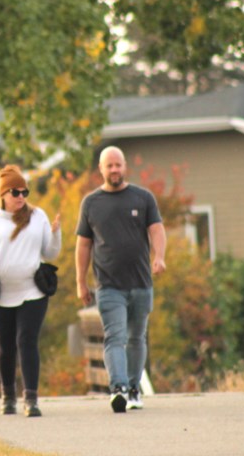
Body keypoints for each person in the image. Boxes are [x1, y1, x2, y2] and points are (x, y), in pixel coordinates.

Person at [75, 146, 167, 413]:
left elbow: (157, 230)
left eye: (118, 165)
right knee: (114, 336)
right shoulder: (91, 203)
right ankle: (118, 389)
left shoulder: (142, 198)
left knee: (137, 337)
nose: (114, 170)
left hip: (140, 283)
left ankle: (134, 387)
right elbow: (83, 246)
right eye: (109, 166)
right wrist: (81, 282)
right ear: (101, 170)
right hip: (108, 285)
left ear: (124, 166)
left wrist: (159, 257)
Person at [0, 164, 61, 417]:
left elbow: (50, 253)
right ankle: (7, 396)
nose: (21, 197)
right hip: (0, 293)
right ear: (3, 195)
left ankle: (31, 399)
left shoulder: (37, 217)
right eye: (15, 192)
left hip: (32, 291)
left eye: (25, 191)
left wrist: (55, 234)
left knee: (27, 341)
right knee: (5, 345)